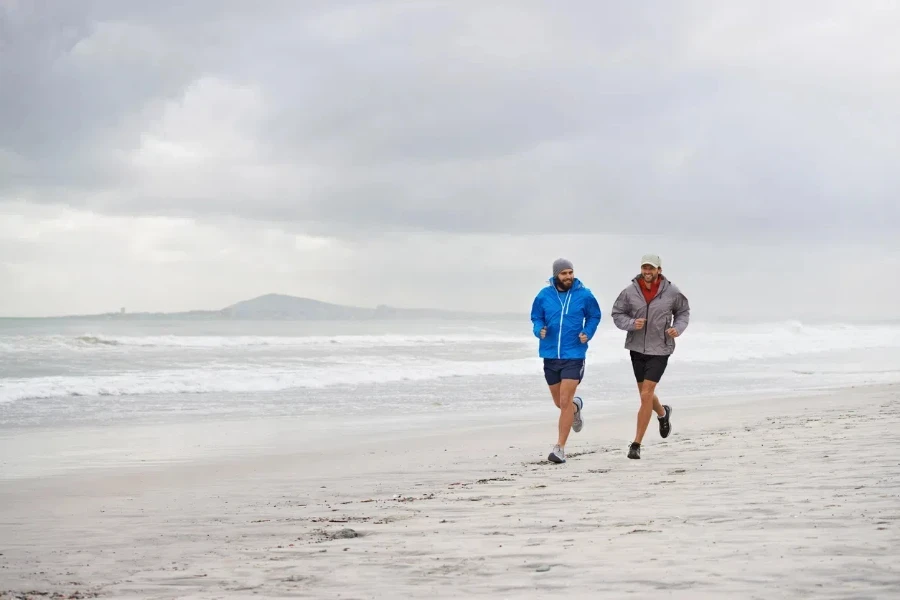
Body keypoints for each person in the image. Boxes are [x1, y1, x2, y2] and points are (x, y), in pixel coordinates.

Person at [611, 253, 690, 459]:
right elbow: (617, 313)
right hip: (636, 348)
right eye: (644, 268)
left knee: (646, 394)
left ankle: (636, 444)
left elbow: (683, 312)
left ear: (659, 271)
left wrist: (677, 329)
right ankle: (663, 413)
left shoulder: (672, 292)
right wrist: (631, 324)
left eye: (651, 268)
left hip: (660, 348)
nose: (647, 272)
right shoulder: (630, 291)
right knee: (645, 395)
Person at [530, 258, 602, 464]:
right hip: (550, 354)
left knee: (563, 402)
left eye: (570, 272)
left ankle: (560, 448)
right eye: (564, 273)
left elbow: (595, 316)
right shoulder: (544, 296)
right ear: (556, 275)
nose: (569, 277)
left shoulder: (584, 295)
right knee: (560, 403)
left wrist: (587, 332)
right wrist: (539, 330)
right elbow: (536, 317)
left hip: (574, 355)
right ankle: (576, 408)